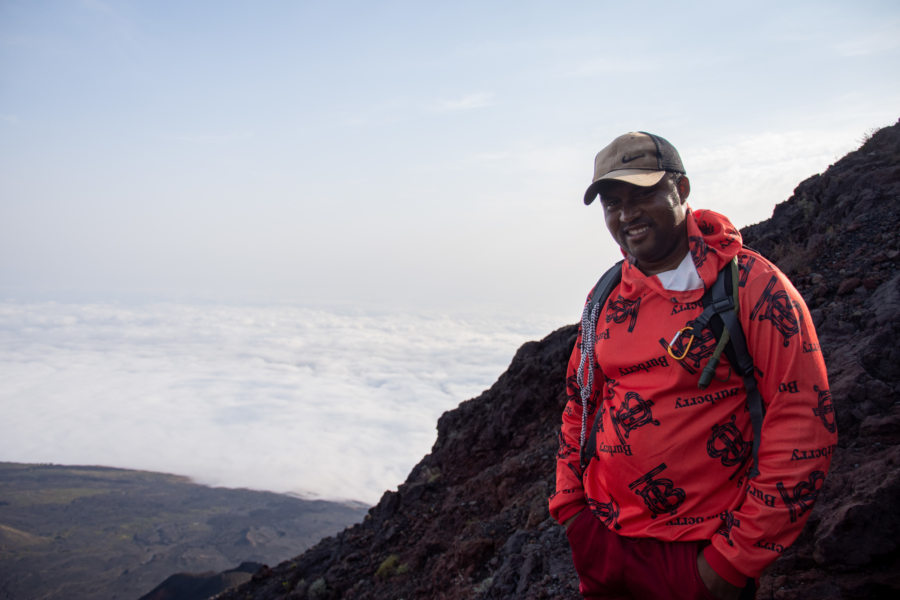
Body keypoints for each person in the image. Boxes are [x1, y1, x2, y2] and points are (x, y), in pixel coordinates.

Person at [549, 132, 837, 600]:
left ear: (680, 190)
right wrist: (572, 511)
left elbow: (803, 425)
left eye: (642, 194)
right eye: (612, 203)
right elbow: (579, 405)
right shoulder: (605, 295)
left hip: (699, 555)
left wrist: (731, 562)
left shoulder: (751, 287)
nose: (626, 215)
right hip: (605, 542)